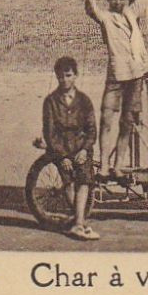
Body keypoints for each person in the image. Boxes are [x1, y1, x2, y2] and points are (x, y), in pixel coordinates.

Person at [84, 0, 148, 173]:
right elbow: (90, 7)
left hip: (136, 74)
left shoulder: (133, 12)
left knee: (127, 121)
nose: (117, 1)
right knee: (106, 119)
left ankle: (118, 164)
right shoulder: (107, 18)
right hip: (116, 76)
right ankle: (104, 164)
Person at [41, 56, 99, 241]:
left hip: (81, 147)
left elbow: (91, 129)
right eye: (60, 77)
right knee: (68, 180)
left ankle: (78, 222)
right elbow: (50, 132)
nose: (64, 80)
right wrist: (62, 156)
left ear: (76, 76)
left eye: (68, 75)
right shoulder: (50, 101)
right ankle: (79, 222)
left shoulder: (84, 101)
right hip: (61, 147)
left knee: (84, 180)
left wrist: (84, 150)